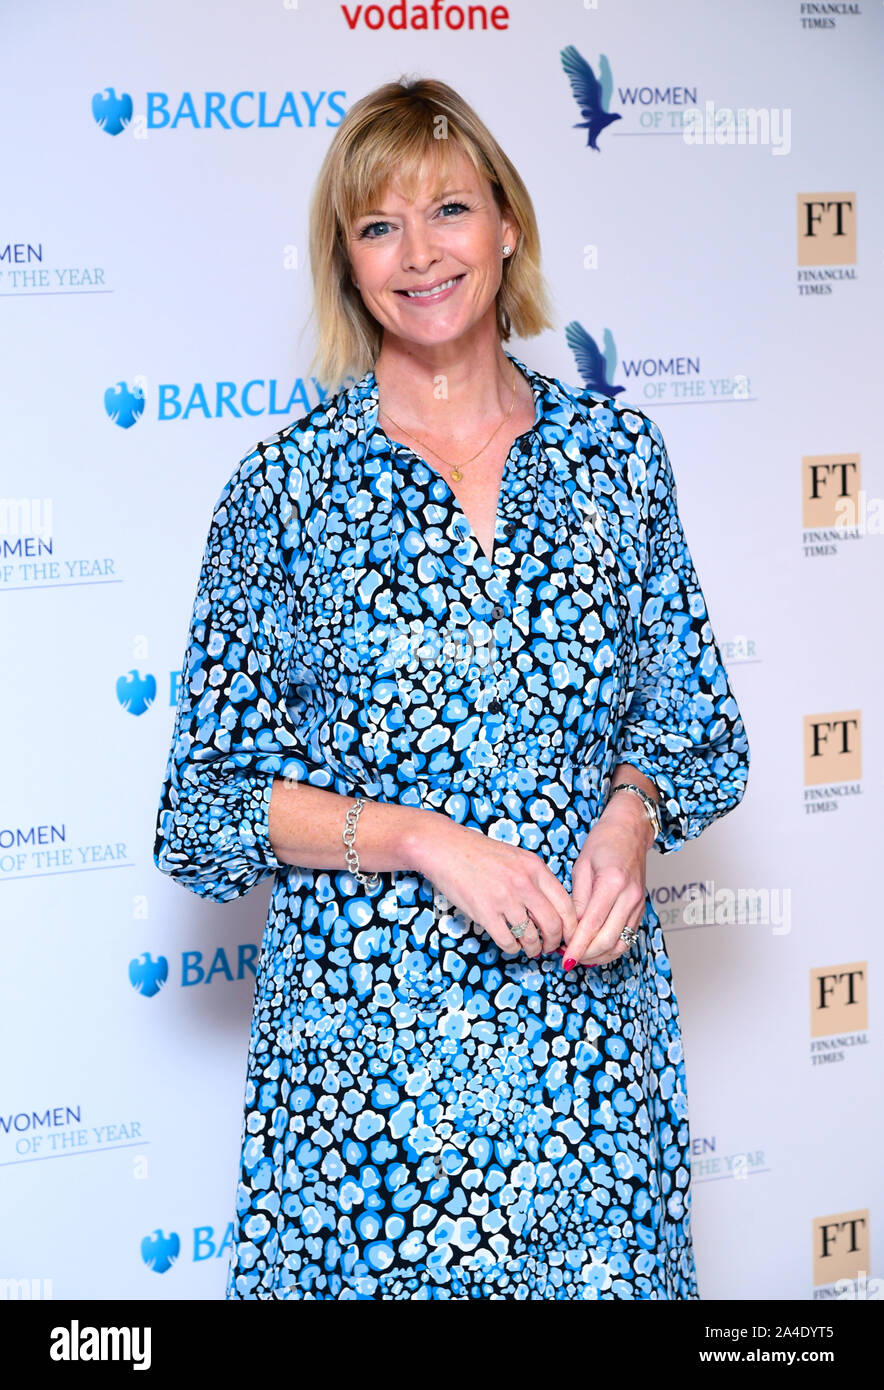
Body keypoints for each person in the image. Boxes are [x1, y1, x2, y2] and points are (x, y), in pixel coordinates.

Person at [154, 75, 750, 1301]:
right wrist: (425, 840)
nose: (419, 253)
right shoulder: (280, 495)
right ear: (345, 263)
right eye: (378, 226)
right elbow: (205, 807)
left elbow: (691, 723)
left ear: (508, 225)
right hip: (371, 1091)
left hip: (586, 1057)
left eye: (449, 210)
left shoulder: (617, 463)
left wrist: (629, 823)